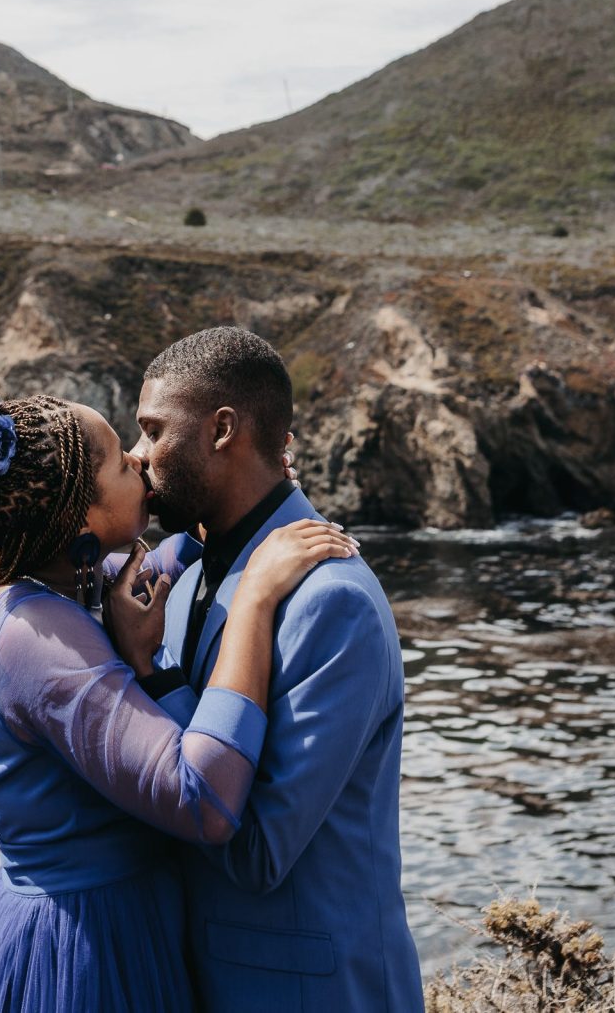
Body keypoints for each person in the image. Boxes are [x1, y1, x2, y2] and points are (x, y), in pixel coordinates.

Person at [0, 369, 356, 1013]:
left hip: (108, 921)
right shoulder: (38, 640)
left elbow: (163, 557)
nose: (142, 464)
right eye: (123, 463)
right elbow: (201, 800)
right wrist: (256, 599)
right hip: (82, 955)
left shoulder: (54, 578)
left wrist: (249, 498)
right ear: (82, 513)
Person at [132, 326, 421, 1012]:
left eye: (152, 430)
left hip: (306, 992)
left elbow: (258, 849)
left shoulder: (331, 603)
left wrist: (158, 680)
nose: (137, 454)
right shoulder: (184, 569)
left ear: (222, 430)